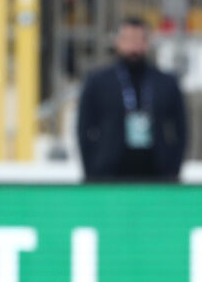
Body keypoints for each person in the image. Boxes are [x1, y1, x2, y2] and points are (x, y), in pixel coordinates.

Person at [77, 17, 189, 181]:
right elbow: (84, 127)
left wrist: (174, 168)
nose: (133, 46)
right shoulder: (98, 81)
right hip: (108, 172)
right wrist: (91, 170)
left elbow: (180, 128)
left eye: (139, 40)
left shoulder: (165, 82)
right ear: (117, 42)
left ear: (147, 43)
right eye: (128, 40)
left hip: (157, 172)